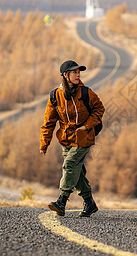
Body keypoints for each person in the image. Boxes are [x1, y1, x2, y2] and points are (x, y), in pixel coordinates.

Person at [40, 60, 105, 217]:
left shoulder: (86, 93)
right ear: (65, 75)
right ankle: (89, 203)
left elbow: (99, 109)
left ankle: (62, 201)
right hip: (66, 139)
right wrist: (44, 143)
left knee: (69, 165)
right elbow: (48, 122)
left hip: (84, 137)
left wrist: (87, 125)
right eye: (74, 72)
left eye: (79, 72)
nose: (78, 75)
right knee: (77, 173)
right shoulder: (55, 96)